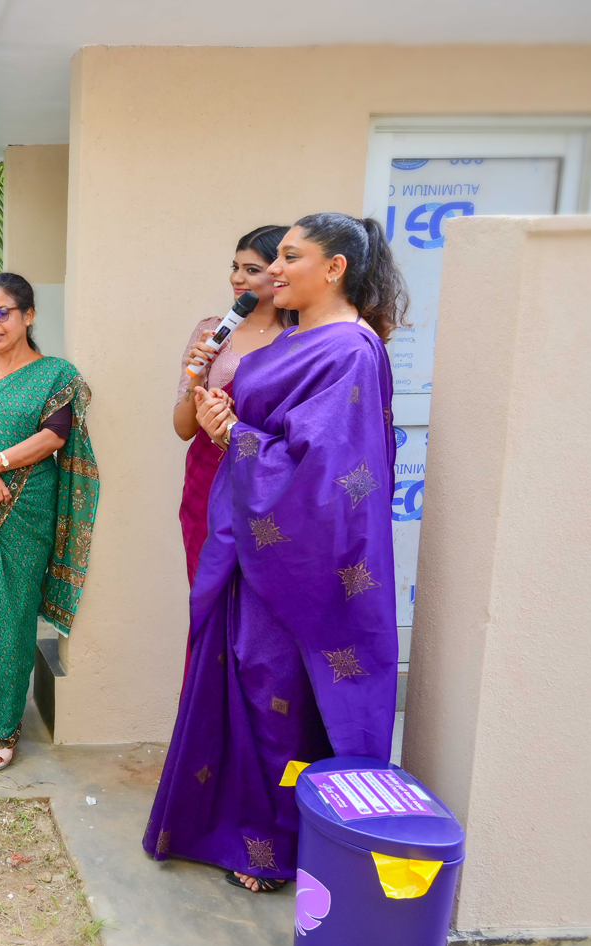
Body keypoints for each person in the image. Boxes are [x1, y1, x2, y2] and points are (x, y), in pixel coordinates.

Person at [144, 213, 406, 893]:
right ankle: (230, 826)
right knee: (244, 677)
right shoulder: (298, 337)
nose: (275, 270)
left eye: (291, 257)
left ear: (335, 267)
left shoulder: (350, 350)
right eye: (276, 257)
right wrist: (221, 424)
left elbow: (328, 474)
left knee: (277, 690)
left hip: (302, 555)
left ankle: (276, 846)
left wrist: (235, 434)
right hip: (248, 535)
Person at [0, 273, 99, 772]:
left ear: (28, 315)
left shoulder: (54, 374)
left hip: (25, 506)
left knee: (12, 614)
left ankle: (2, 726)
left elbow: (54, 436)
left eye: (3, 313)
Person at [174, 225, 293, 675]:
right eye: (235, 267)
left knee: (263, 609)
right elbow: (183, 428)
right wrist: (195, 379)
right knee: (210, 597)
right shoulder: (212, 331)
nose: (237, 279)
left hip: (270, 485)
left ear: (279, 273)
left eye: (252, 269)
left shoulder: (301, 338)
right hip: (207, 484)